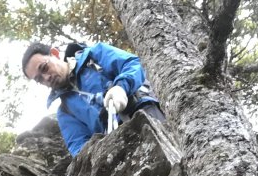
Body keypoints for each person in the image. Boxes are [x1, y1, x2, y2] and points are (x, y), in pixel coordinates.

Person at [22, 40, 164, 157]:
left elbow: (132, 64)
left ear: (55, 53)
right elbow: (78, 148)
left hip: (147, 112)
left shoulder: (94, 55)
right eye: (39, 79)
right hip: (121, 146)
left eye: (44, 68)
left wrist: (121, 87)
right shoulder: (65, 112)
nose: (46, 78)